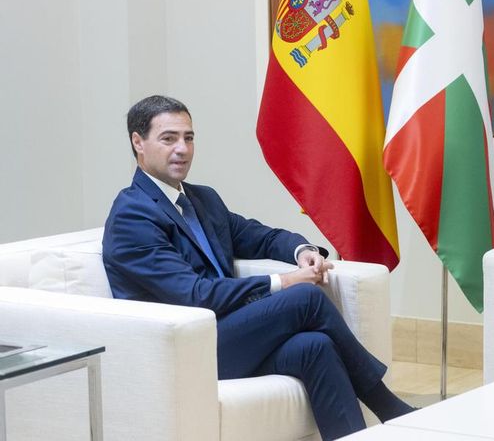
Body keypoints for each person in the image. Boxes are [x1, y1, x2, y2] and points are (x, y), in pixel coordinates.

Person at [103, 95, 413, 440]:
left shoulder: (201, 199)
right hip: (186, 349)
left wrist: (302, 251)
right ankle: (391, 408)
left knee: (314, 346)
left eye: (189, 138)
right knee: (305, 298)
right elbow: (195, 294)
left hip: (229, 334)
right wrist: (286, 280)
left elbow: (259, 236)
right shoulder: (132, 215)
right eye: (169, 138)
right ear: (138, 142)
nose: (183, 149)